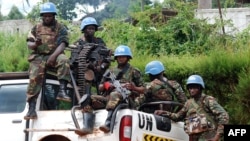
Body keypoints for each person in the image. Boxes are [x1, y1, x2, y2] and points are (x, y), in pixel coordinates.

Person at [24, 2, 72, 120]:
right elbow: (29, 44)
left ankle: (62, 90)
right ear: (42, 16)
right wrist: (36, 43)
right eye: (45, 16)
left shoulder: (60, 27)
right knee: (35, 76)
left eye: (49, 16)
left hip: (55, 54)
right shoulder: (36, 27)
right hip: (39, 56)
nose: (47, 18)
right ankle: (31, 108)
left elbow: (63, 43)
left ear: (54, 16)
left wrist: (53, 56)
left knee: (64, 60)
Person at [154, 74, 229, 141]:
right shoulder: (188, 103)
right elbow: (177, 117)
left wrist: (217, 137)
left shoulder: (207, 100)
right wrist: (164, 113)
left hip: (209, 137)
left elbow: (224, 116)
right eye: (190, 88)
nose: (191, 90)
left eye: (194, 87)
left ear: (200, 88)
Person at [98, 45, 145, 133]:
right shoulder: (110, 71)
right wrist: (107, 85)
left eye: (123, 56)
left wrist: (134, 87)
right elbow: (100, 87)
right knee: (89, 98)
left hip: (126, 98)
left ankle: (107, 124)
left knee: (114, 94)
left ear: (128, 58)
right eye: (119, 56)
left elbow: (144, 89)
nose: (120, 58)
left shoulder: (133, 71)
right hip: (109, 97)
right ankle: (87, 127)